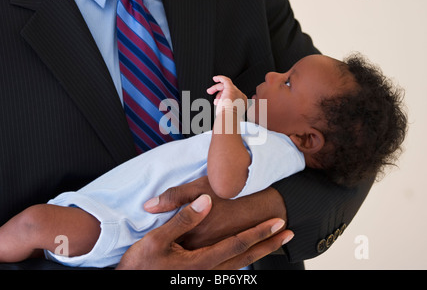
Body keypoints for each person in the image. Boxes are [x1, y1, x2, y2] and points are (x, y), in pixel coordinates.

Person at [0, 0, 393, 269]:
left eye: (286, 81)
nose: (272, 77)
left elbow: (353, 132)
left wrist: (247, 213)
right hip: (94, 230)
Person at [0, 54, 407, 268]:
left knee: (35, 225)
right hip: (118, 213)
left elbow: (227, 182)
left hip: (124, 223)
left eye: (285, 81)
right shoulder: (276, 138)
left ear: (307, 138)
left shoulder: (278, 150)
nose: (269, 74)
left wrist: (229, 109)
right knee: (36, 236)